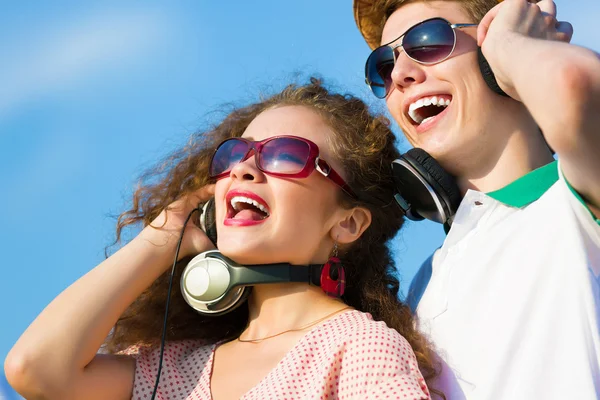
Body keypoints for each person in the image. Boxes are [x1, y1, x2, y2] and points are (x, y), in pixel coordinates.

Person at [5, 78, 437, 400]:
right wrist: (163, 238)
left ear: (347, 223)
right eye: (235, 154)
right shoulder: (176, 369)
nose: (244, 170)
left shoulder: (359, 348)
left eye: (285, 155)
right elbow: (35, 369)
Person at [353, 0, 600, 398]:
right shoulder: (423, 282)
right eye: (383, 65)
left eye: (428, 40)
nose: (399, 74)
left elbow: (578, 86)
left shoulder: (576, 202)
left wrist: (512, 43)